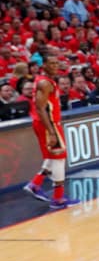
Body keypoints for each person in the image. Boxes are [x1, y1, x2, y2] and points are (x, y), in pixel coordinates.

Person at [22, 53, 80, 210]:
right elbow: (41, 109)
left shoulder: (46, 81)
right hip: (49, 124)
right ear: (44, 66)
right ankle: (58, 198)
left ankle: (35, 184)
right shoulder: (44, 83)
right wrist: (52, 131)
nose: (55, 66)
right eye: (51, 63)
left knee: (52, 156)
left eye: (56, 63)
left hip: (48, 123)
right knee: (59, 158)